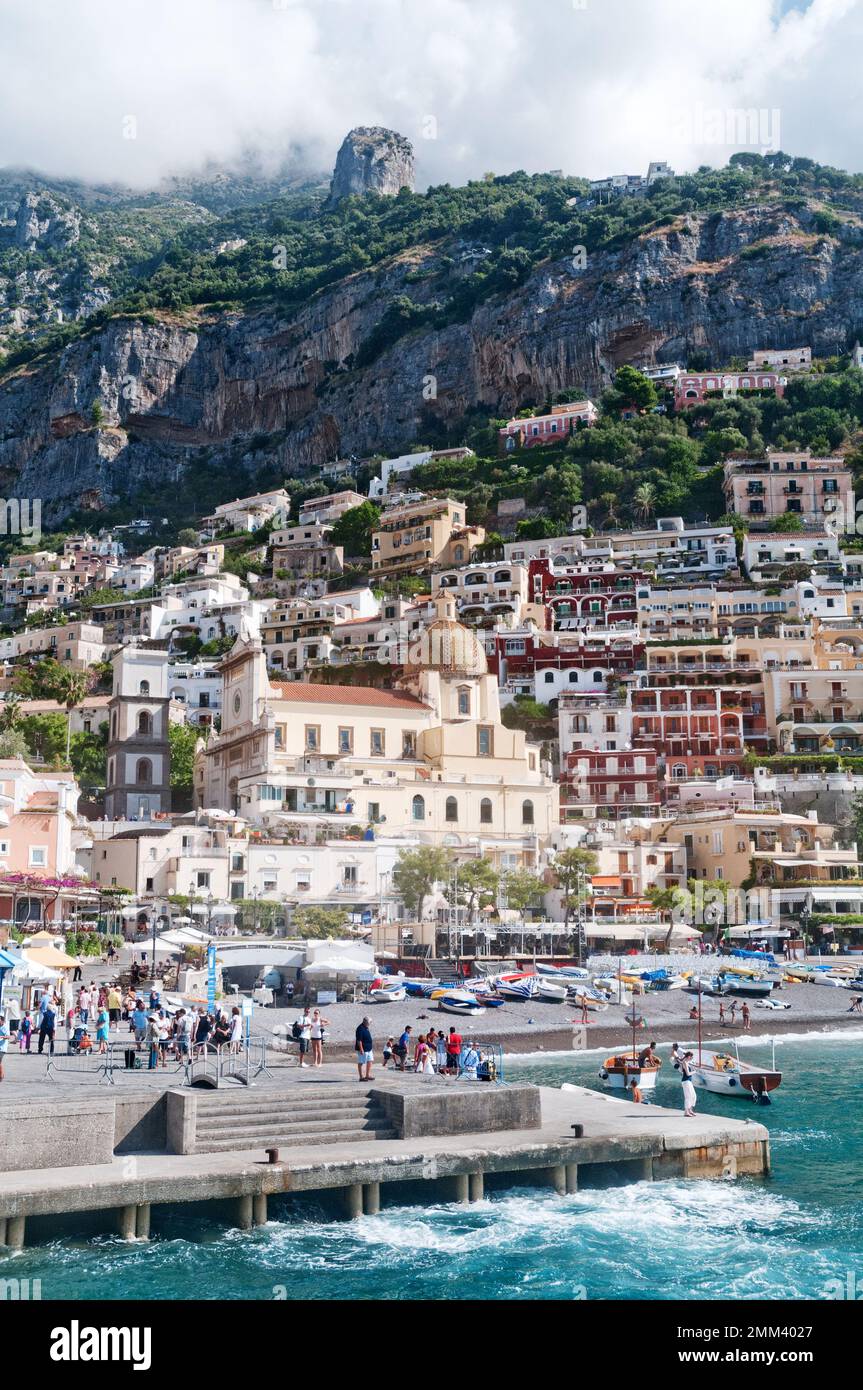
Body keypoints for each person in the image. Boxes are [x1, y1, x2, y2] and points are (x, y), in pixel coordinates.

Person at [355, 1016, 374, 1081]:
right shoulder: (360, 1028)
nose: (370, 1024)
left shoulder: (366, 1027)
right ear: (365, 1022)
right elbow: (359, 1040)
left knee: (370, 1061)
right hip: (363, 1049)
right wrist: (361, 1049)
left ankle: (367, 1075)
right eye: (369, 1022)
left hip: (369, 1048)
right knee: (361, 1062)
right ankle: (361, 1077)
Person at [680, 1050, 697, 1117]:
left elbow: (682, 1071)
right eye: (691, 1057)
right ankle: (686, 1112)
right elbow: (687, 1074)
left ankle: (690, 1110)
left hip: (688, 1081)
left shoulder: (686, 1062)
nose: (692, 1058)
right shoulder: (685, 1063)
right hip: (686, 1081)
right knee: (688, 1097)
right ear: (689, 1056)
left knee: (693, 1096)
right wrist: (694, 1072)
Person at [0, 1013, 7, 1082]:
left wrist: (2, 1037)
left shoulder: (4, 1027)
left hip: (2, 1048)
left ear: (2, 1021)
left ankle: (1, 1076)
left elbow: (8, 1036)